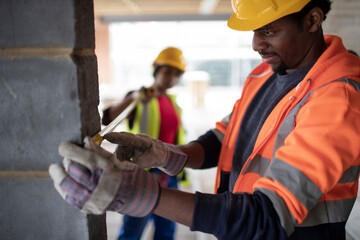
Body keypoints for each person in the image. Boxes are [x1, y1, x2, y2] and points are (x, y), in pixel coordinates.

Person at [49, 0, 360, 239]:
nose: (255, 44)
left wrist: (143, 196)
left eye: (268, 30)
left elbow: (268, 217)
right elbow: (224, 139)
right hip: (238, 226)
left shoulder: (339, 99)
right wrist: (169, 154)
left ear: (312, 20)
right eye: (254, 31)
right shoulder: (265, 73)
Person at [102, 47, 187, 240]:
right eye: (167, 72)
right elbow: (109, 117)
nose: (171, 78)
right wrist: (134, 98)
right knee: (133, 230)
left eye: (176, 74)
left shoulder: (172, 102)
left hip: (169, 174)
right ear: (156, 71)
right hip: (143, 173)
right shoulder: (140, 97)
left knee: (166, 231)